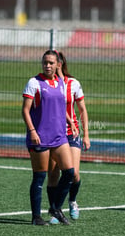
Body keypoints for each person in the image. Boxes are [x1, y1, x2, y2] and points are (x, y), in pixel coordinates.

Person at [22, 50, 75, 226]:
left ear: (57, 65)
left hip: (59, 136)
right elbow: (25, 110)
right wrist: (32, 130)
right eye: (45, 62)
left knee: (69, 172)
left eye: (51, 63)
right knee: (40, 176)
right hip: (40, 137)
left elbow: (61, 108)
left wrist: (71, 123)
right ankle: (36, 217)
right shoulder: (34, 82)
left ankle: (55, 208)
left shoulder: (60, 82)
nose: (48, 65)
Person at [47, 51, 90, 224]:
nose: (50, 65)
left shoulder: (73, 83)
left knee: (74, 174)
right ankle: (55, 210)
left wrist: (86, 134)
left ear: (60, 63)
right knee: (53, 175)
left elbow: (82, 110)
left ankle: (72, 201)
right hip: (52, 134)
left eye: (54, 62)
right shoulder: (46, 83)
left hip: (72, 134)